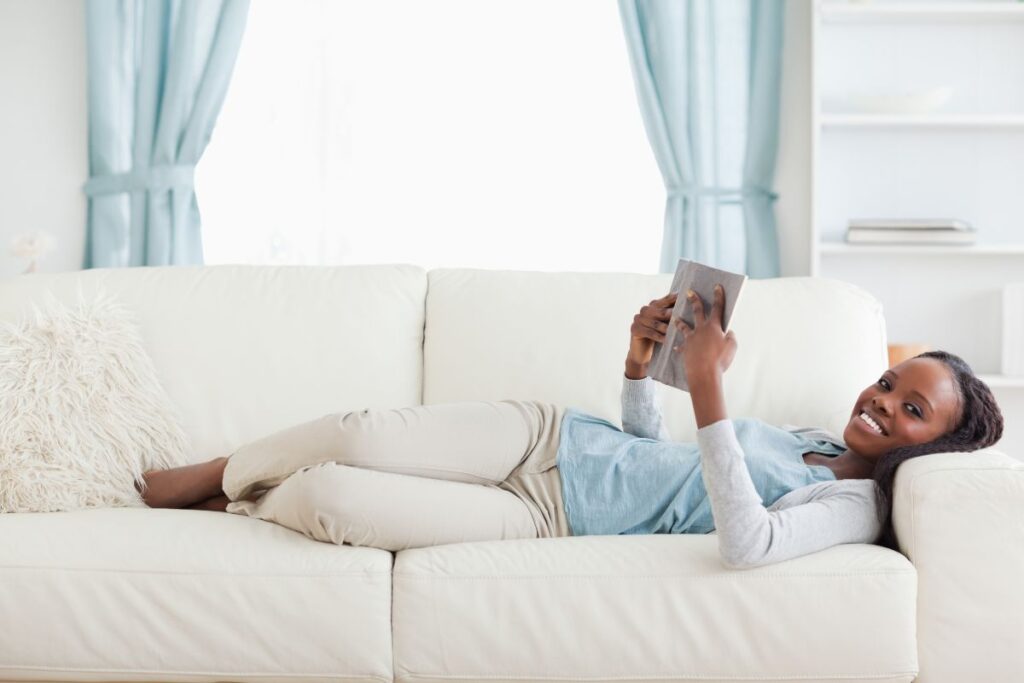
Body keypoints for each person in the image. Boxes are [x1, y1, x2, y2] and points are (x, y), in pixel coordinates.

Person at [138, 285, 1004, 568]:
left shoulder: (853, 508)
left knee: (333, 498)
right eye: (891, 382)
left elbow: (747, 541)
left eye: (910, 408)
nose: (881, 401)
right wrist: (642, 365)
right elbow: (652, 448)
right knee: (359, 433)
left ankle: (247, 499)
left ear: (932, 447)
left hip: (554, 517)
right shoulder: (815, 432)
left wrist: (708, 390)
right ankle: (218, 472)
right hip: (549, 437)